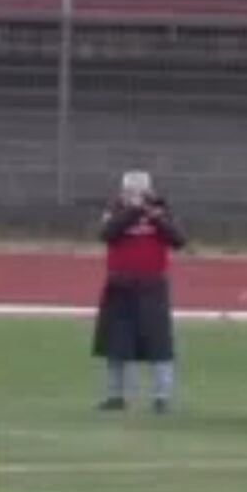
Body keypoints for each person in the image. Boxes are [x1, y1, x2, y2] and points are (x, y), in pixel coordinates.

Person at [94, 171, 185, 412]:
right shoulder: (114, 209)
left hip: (152, 285)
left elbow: (178, 239)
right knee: (116, 344)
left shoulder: (161, 210)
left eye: (140, 191)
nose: (135, 195)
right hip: (119, 285)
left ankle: (162, 397)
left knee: (159, 345)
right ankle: (115, 396)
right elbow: (107, 234)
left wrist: (154, 216)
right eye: (130, 191)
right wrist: (132, 211)